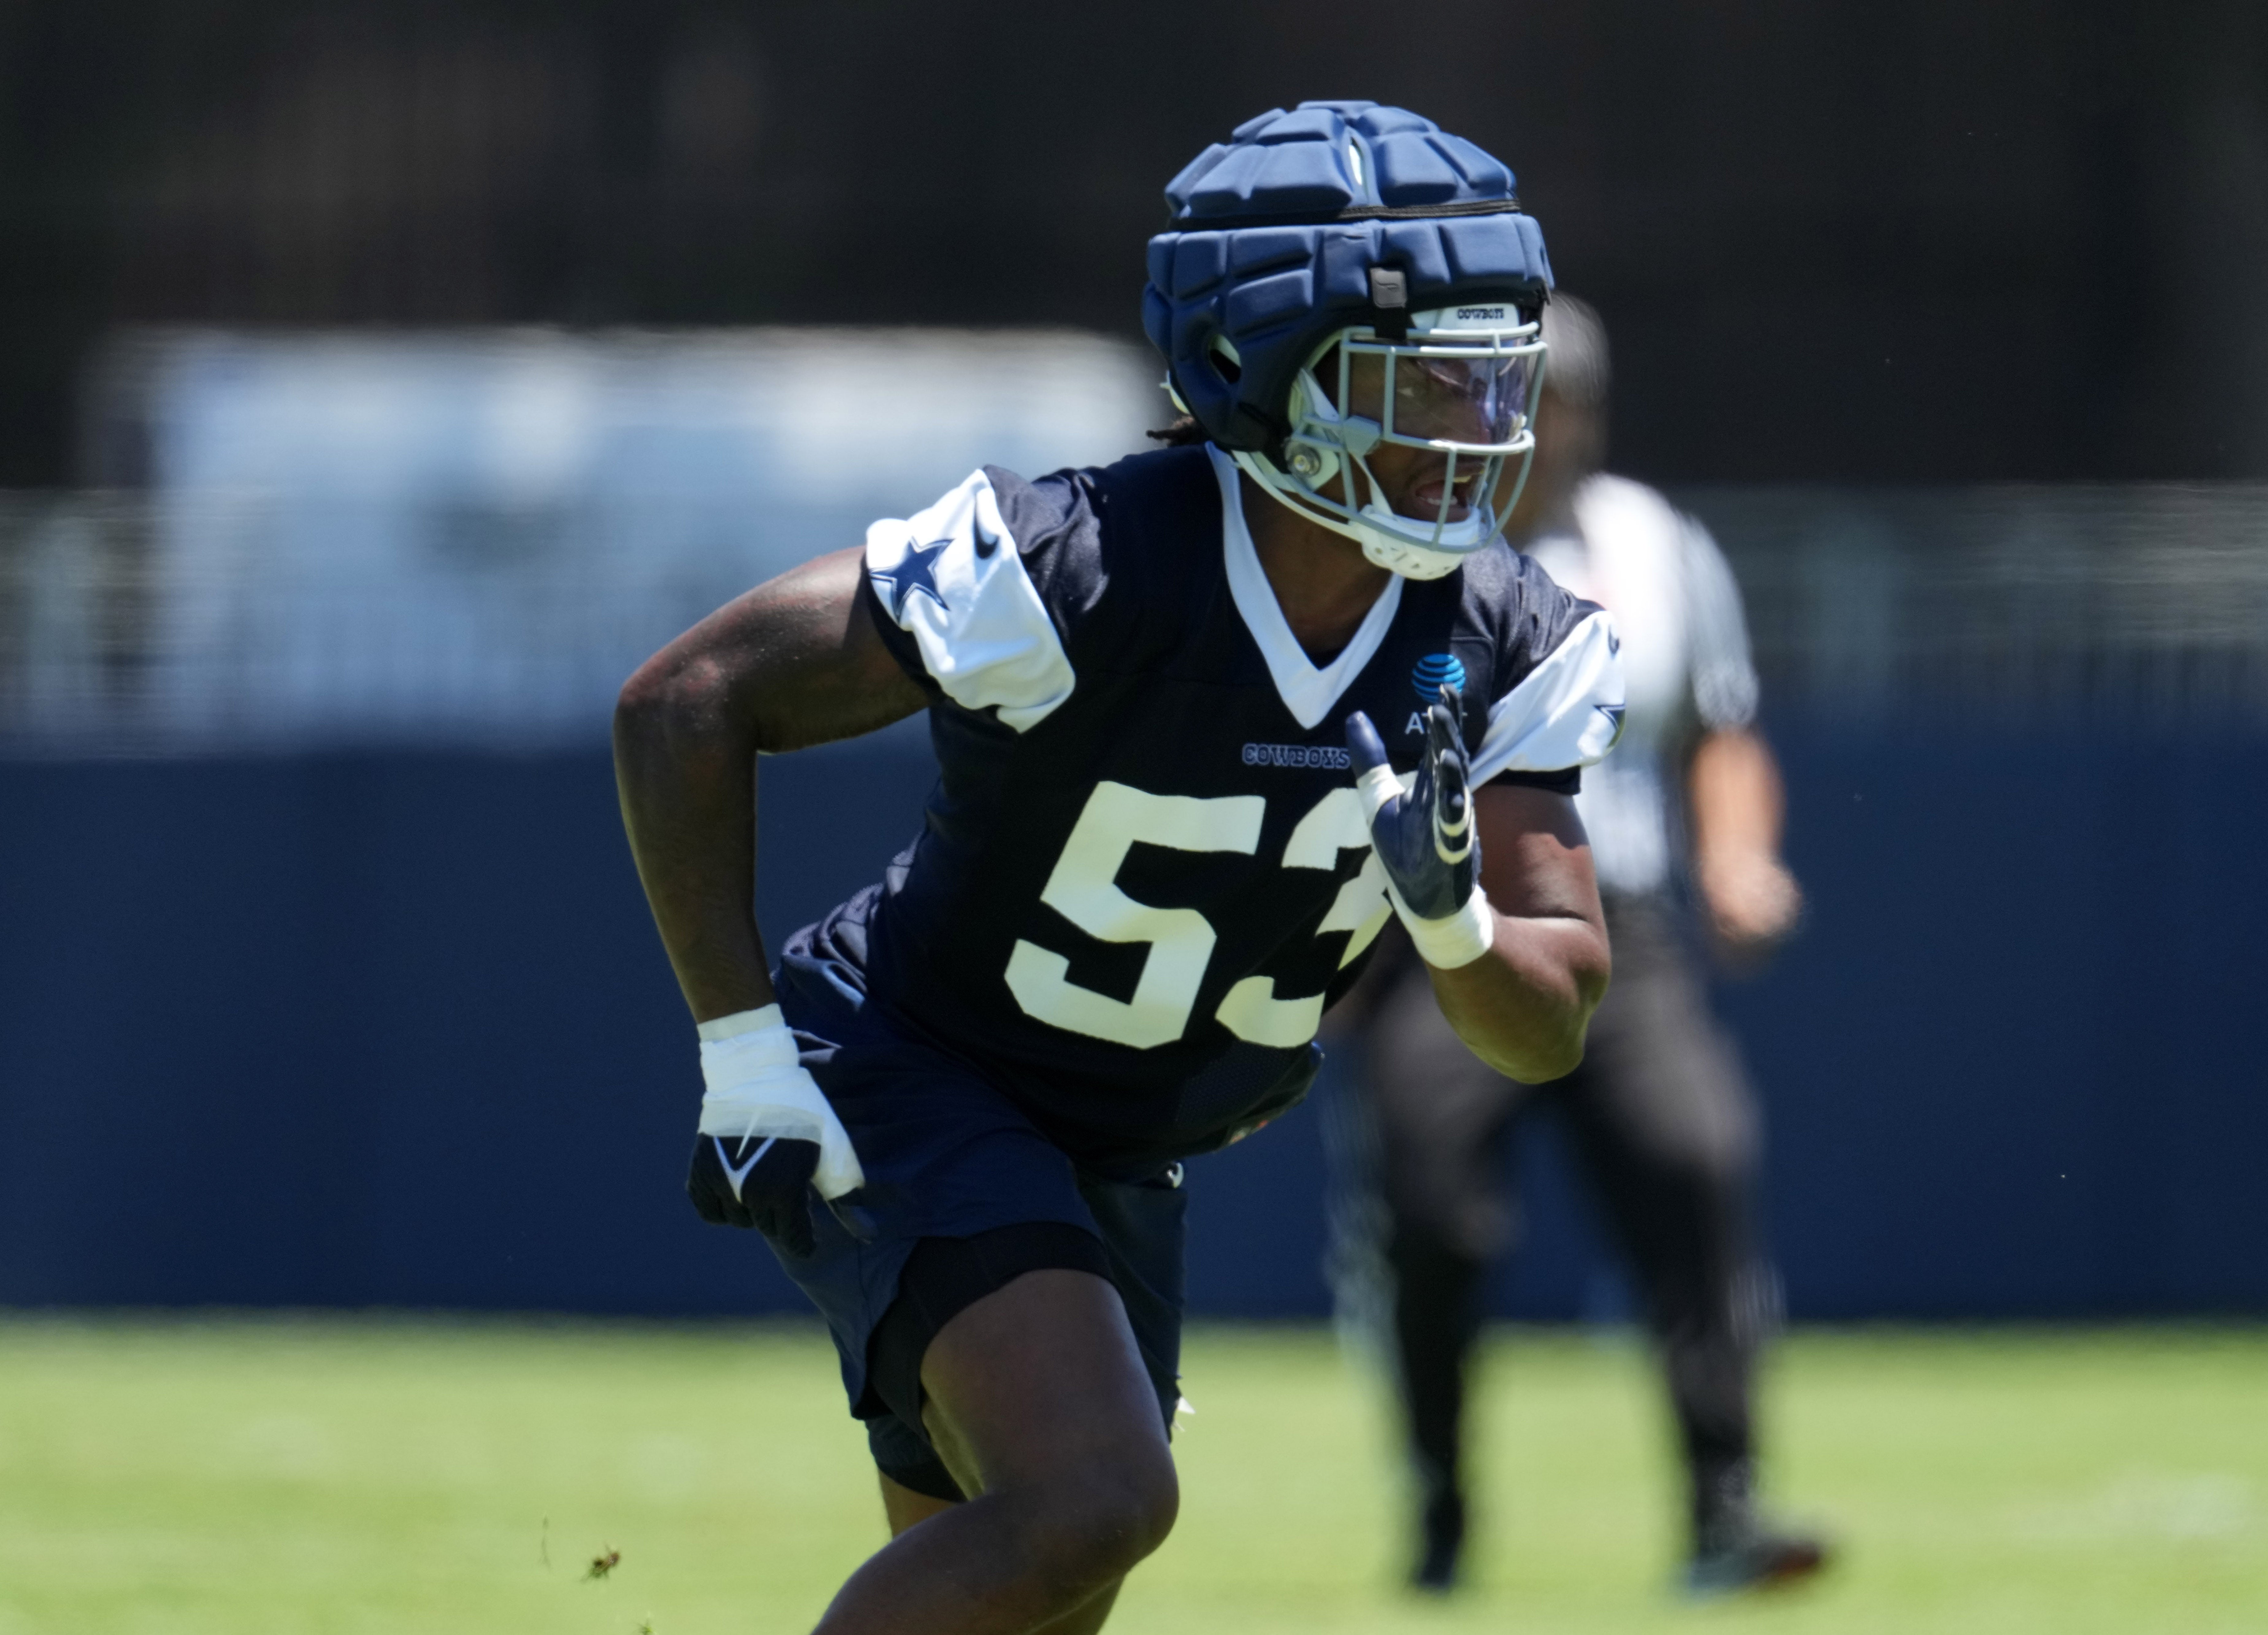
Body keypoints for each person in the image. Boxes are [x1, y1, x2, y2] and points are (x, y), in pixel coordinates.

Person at [611, 102, 1625, 1635]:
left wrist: (1454, 913)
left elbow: (1548, 1019)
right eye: (1417, 374)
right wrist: (742, 1052)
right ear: (1257, 367)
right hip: (917, 1066)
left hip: (1118, 1138)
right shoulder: (1076, 560)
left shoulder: (1509, 635)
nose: (1471, 419)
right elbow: (687, 699)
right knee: (1100, 1495)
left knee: (1049, 1583)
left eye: (1494, 370)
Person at [1332, 293, 1828, 1599]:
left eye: (1553, 401)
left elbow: (1720, 723)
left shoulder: (1655, 542)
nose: (1531, 429)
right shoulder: (1404, 539)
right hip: (1442, 931)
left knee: (1698, 1158)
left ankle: (1725, 1502)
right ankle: (1440, 1505)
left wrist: (1737, 855)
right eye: (1505, 398)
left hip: (1623, 928)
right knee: (1432, 1212)